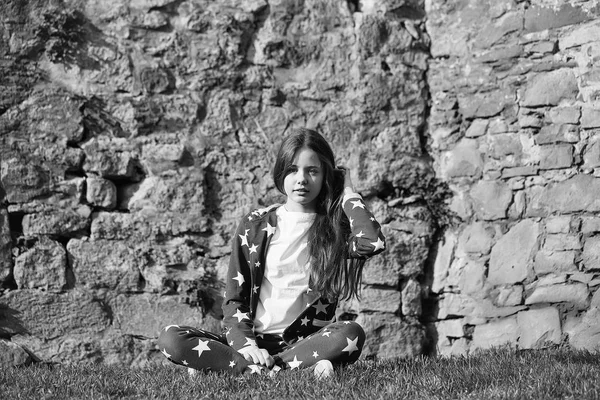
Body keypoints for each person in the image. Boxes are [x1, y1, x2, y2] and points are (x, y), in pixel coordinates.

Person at [158, 128, 386, 378]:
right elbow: (235, 299)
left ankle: (246, 369)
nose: (301, 179)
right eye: (292, 169)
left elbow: (372, 242)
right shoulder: (254, 224)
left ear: (326, 177)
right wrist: (247, 346)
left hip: (303, 344)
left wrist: (349, 193)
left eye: (312, 171)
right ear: (281, 172)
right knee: (172, 338)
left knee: (350, 333)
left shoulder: (334, 230)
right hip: (250, 340)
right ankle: (263, 367)